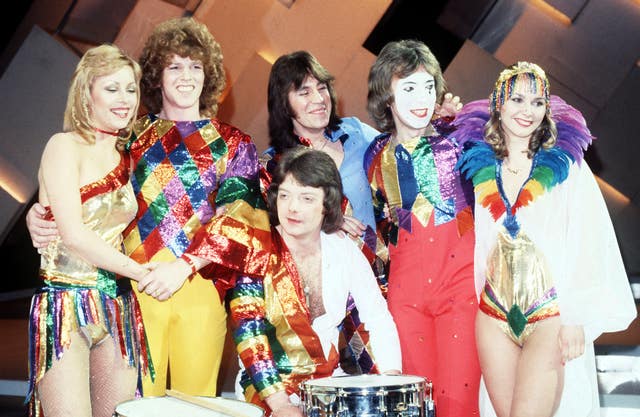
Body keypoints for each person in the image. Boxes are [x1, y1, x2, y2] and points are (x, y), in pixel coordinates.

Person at [26, 17, 264, 397]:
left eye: (195, 66)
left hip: (198, 286)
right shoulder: (128, 137)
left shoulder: (235, 143)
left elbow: (239, 219)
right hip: (135, 287)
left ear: (209, 74)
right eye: (174, 66)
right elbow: (87, 195)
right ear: (155, 76)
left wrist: (184, 267)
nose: (186, 76)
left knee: (196, 405)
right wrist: (38, 214)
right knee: (134, 404)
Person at [455, 62, 636, 417]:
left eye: (538, 102)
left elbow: (589, 242)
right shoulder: (479, 169)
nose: (527, 111)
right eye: (518, 99)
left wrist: (575, 318)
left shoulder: (567, 168)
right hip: (492, 317)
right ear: (498, 103)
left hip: (548, 316)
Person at [264, 50, 462, 374]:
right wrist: (327, 220)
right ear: (284, 103)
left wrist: (434, 124)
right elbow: (278, 229)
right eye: (304, 92)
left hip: (395, 274)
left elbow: (401, 155)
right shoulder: (277, 164)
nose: (319, 99)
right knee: (358, 381)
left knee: (410, 366)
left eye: (322, 88)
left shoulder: (357, 133)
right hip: (337, 293)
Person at [185, 147, 402, 416]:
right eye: (285, 195)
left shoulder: (344, 250)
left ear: (327, 203)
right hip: (267, 389)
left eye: (307, 198)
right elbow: (250, 335)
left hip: (328, 384)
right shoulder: (256, 247)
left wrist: (391, 382)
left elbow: (377, 318)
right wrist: (282, 405)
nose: (293, 208)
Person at [26, 44, 152, 417]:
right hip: (66, 305)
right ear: (87, 92)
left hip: (118, 307)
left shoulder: (128, 153)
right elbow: (75, 235)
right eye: (112, 88)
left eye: (131, 89)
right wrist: (142, 273)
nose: (125, 99)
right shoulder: (63, 146)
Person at [364, 39, 479, 417]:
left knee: (458, 405)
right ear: (387, 97)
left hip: (460, 290)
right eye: (409, 87)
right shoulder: (374, 154)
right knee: (416, 407)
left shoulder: (463, 139)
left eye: (428, 87)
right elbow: (383, 229)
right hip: (405, 296)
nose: (422, 98)